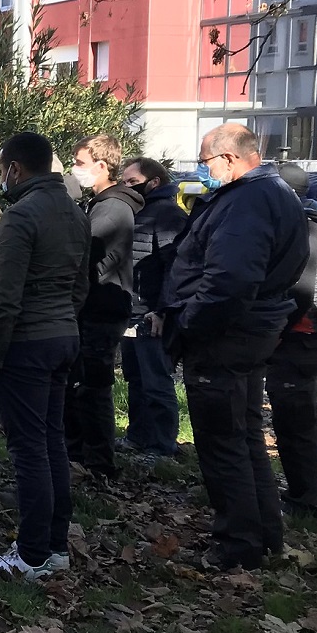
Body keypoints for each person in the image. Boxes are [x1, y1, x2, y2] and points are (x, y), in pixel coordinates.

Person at [160, 124, 306, 570]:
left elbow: (231, 280)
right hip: (250, 332)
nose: (202, 170)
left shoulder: (248, 200)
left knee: (222, 442)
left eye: (205, 162)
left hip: (227, 337)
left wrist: (188, 323)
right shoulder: (274, 193)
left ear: (229, 159)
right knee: (243, 436)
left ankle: (237, 545)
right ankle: (265, 534)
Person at [0, 132, 91, 581]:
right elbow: (82, 286)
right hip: (64, 335)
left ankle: (29, 555)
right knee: (51, 443)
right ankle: (55, 547)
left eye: (2, 167)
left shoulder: (20, 217)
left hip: (25, 343)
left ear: (15, 169)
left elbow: (4, 297)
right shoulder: (75, 213)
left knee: (28, 451)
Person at [65, 134, 142, 479]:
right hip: (97, 305)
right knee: (82, 382)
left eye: (79, 163)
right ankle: (82, 452)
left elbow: (87, 255)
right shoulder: (101, 203)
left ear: (101, 166)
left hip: (102, 307)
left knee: (92, 387)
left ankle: (98, 462)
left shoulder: (112, 207)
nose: (74, 170)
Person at [265, 163, 317, 518]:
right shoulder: (316, 225)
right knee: (300, 418)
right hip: (306, 337)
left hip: (301, 338)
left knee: (297, 421)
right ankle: (304, 492)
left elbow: (302, 292)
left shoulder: (306, 230)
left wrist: (276, 331)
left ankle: (305, 501)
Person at [118, 158, 186, 457]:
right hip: (131, 311)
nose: (126, 186)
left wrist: (162, 310)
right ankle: (138, 436)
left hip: (152, 314)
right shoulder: (137, 212)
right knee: (135, 379)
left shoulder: (168, 215)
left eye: (132, 182)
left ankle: (162, 447)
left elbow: (177, 267)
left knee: (156, 383)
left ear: (154, 182)